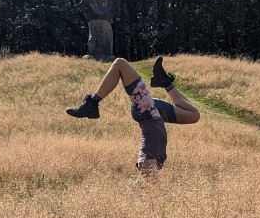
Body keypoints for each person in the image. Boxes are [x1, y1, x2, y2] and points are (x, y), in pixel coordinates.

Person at [66, 56, 200, 174]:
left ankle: (92, 104)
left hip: (148, 112)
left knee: (120, 64)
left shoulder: (151, 154)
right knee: (194, 115)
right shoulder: (153, 152)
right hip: (150, 112)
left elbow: (147, 172)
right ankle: (166, 83)